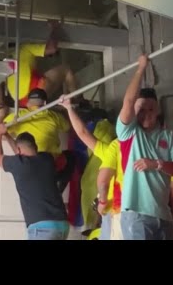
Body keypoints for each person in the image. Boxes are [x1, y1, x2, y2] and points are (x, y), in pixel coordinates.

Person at [117, 55, 173, 240]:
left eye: (150, 109)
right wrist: (141, 68)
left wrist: (157, 164)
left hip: (164, 215)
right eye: (140, 110)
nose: (145, 114)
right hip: (137, 215)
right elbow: (128, 102)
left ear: (158, 110)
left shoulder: (168, 136)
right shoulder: (129, 133)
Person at [0, 124, 69, 240]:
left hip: (42, 228)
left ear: (19, 151)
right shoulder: (47, 159)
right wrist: (6, 135)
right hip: (62, 225)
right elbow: (20, 153)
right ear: (35, 147)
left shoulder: (20, 164)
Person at [59, 96, 116, 238]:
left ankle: (92, 224)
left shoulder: (103, 131)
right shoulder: (118, 143)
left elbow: (83, 134)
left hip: (98, 187)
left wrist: (69, 109)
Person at [6, 20, 83, 108]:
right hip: (35, 89)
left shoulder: (6, 57)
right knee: (65, 69)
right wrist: (55, 29)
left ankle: (71, 101)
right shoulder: (24, 48)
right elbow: (52, 49)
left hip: (22, 101)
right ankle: (78, 100)